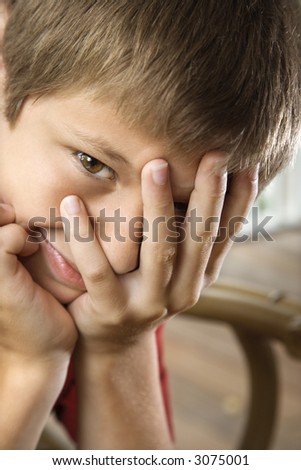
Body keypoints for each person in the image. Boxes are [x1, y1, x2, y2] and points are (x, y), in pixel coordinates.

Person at [0, 0, 300, 450]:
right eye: (92, 163)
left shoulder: (128, 285)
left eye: (176, 211)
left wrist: (118, 346)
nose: (119, 256)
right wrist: (25, 368)